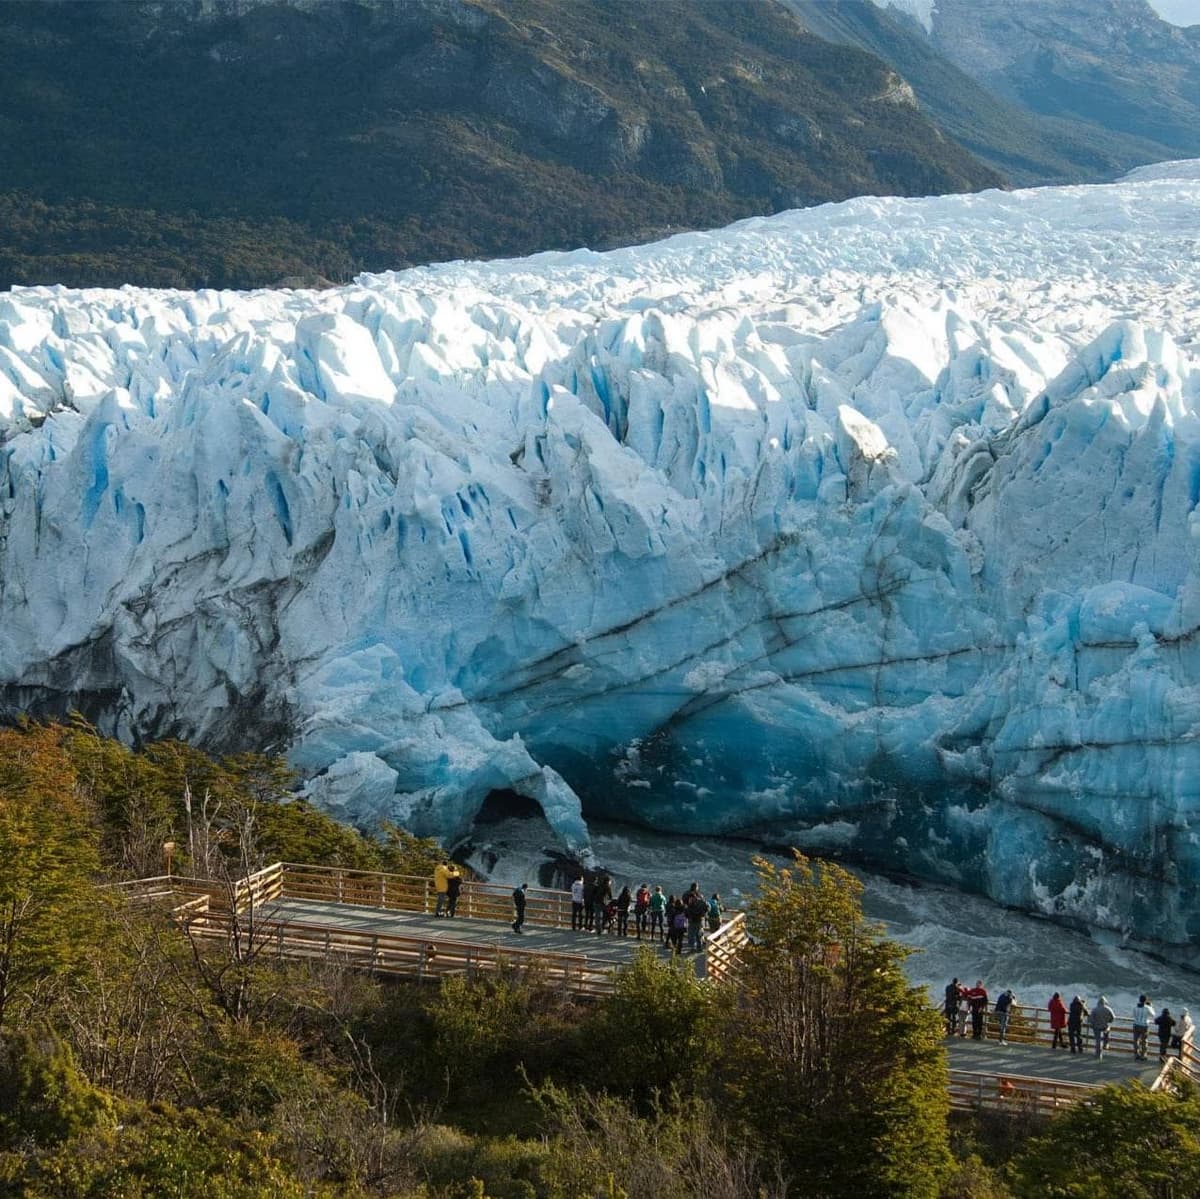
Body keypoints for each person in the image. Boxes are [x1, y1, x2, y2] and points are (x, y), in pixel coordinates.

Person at [1132, 995, 1156, 1061]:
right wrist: (1151, 1007)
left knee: (1136, 1040)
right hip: (1144, 1025)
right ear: (1145, 1000)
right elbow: (1153, 1015)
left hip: (1136, 1024)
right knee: (1144, 1041)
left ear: (1139, 1000)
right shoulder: (1147, 1008)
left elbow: (1133, 1015)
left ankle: (1136, 1054)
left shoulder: (1135, 1007)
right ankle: (1143, 1055)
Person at [685, 888, 708, 953]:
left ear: (691, 898)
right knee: (699, 935)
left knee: (691, 935)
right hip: (700, 920)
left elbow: (686, 913)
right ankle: (699, 948)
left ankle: (692, 948)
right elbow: (707, 908)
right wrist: (703, 914)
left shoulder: (690, 904)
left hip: (692, 921)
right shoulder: (701, 902)